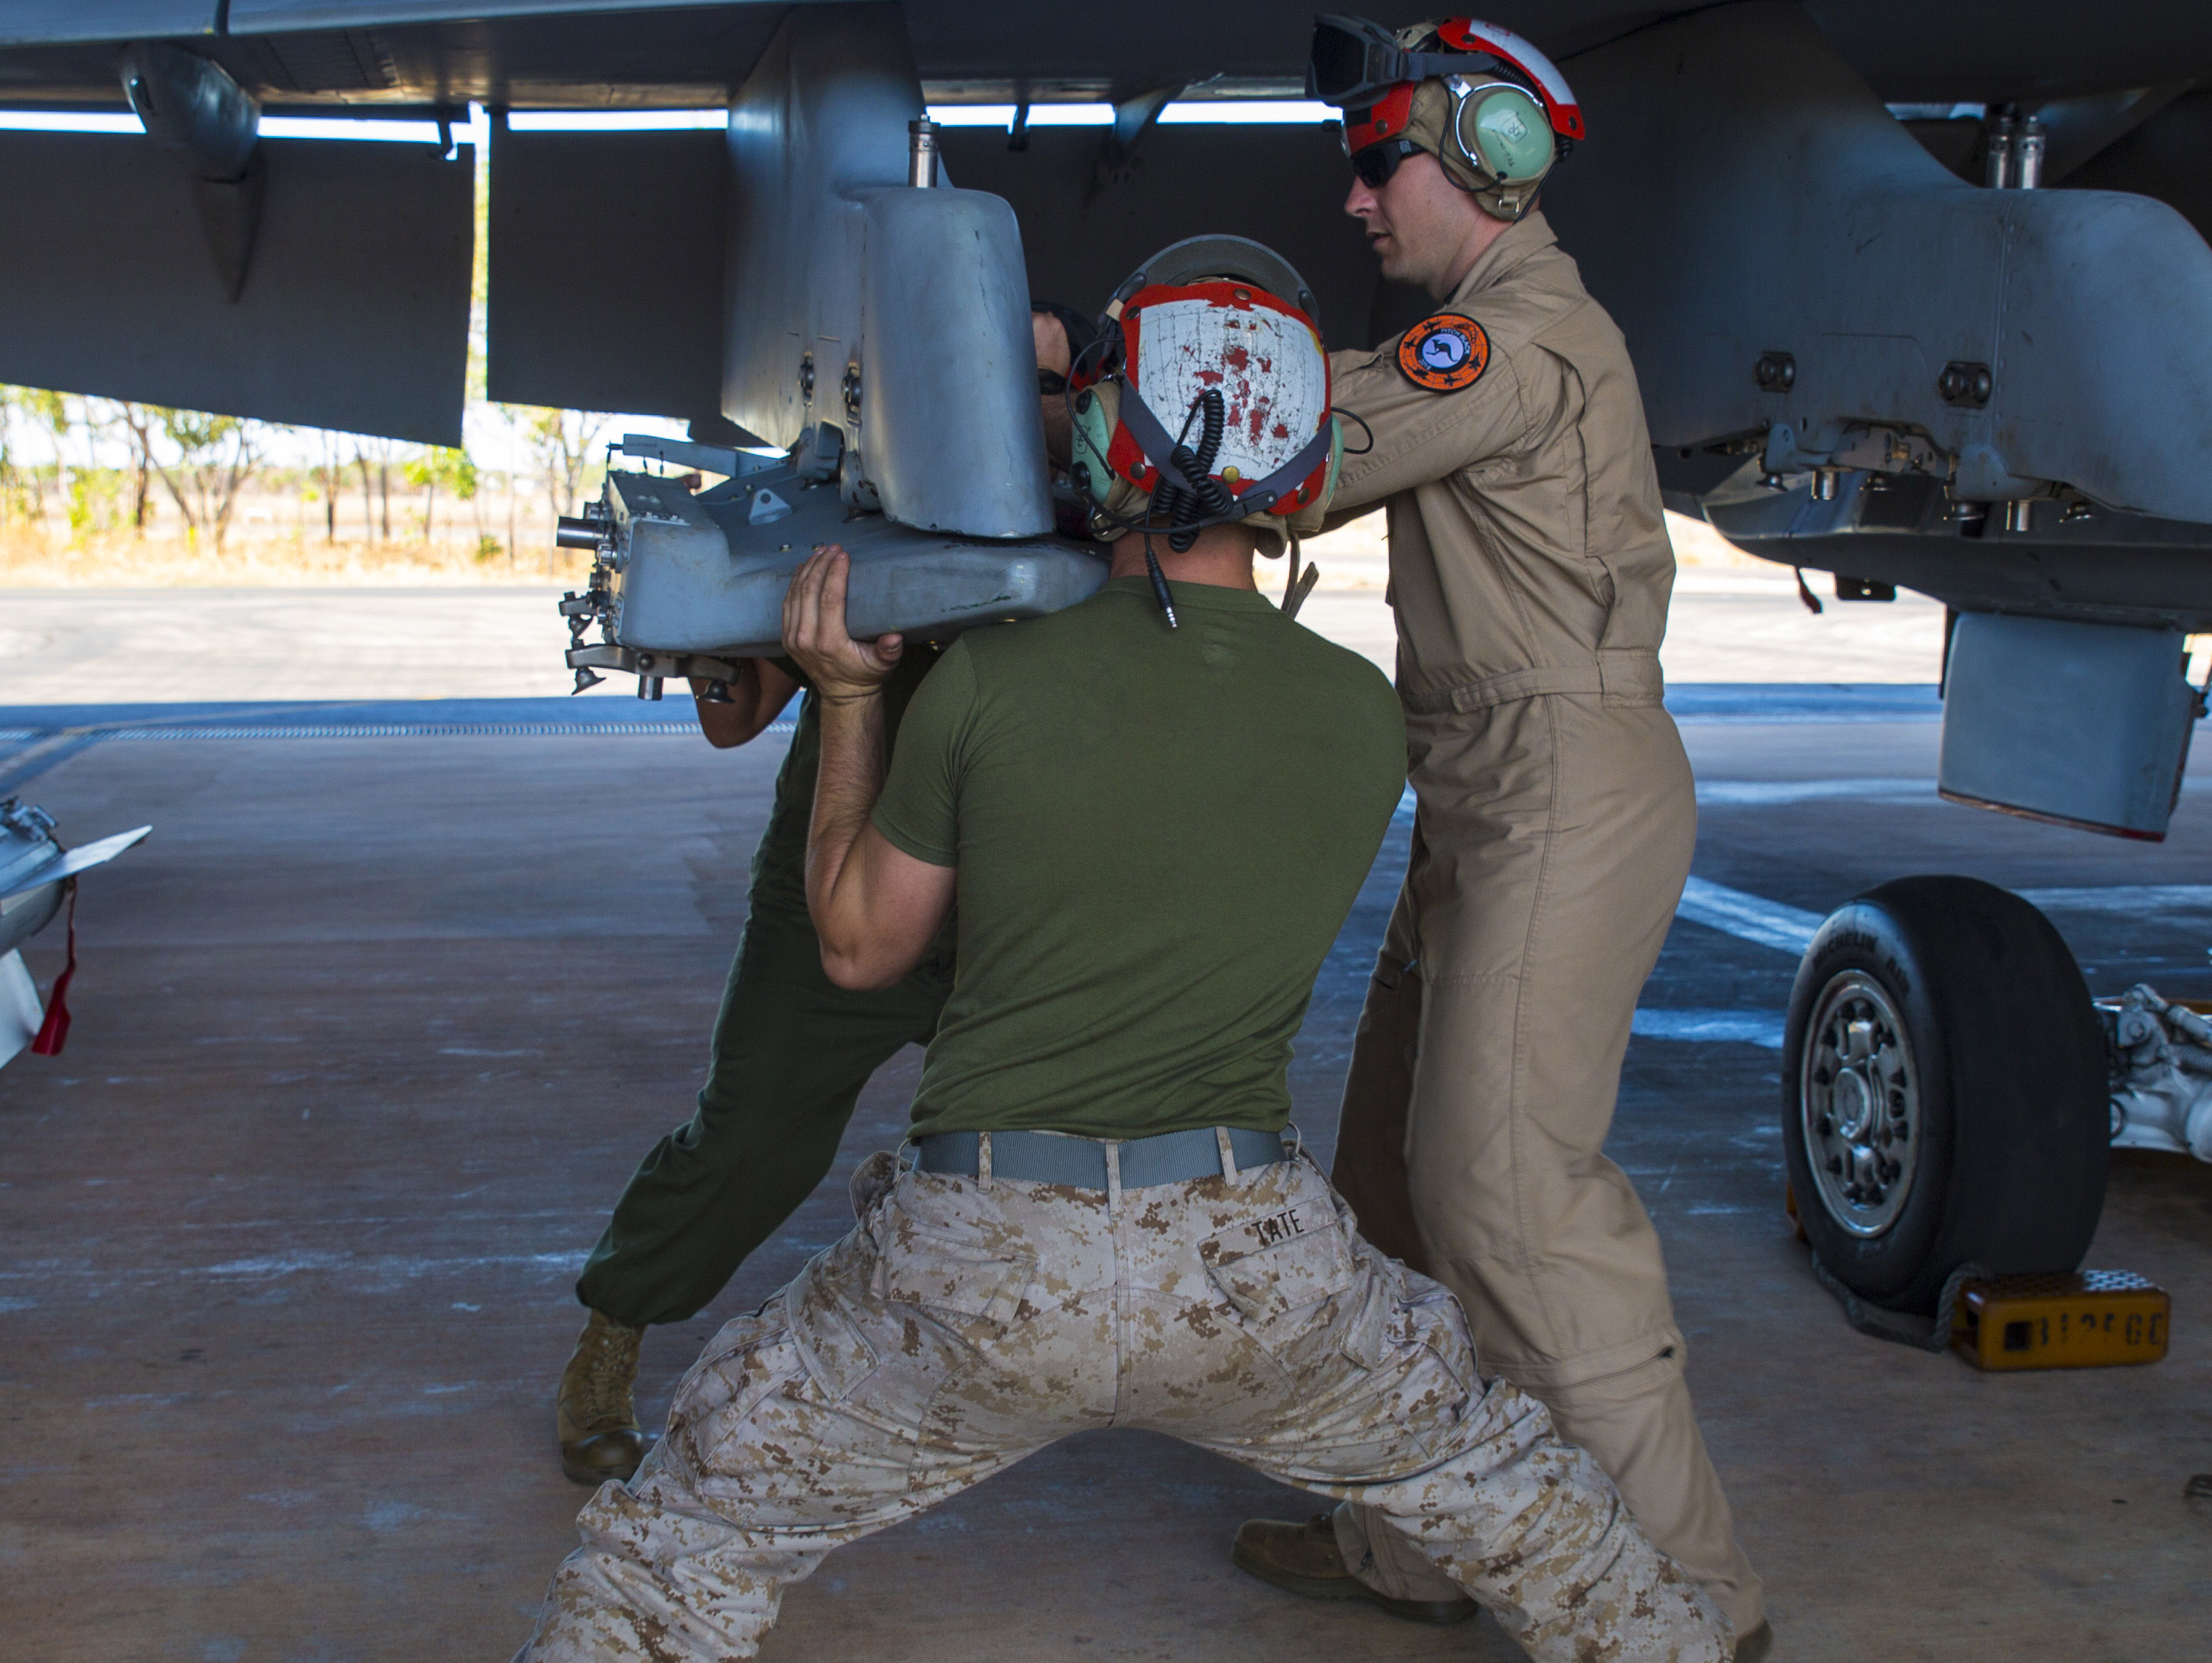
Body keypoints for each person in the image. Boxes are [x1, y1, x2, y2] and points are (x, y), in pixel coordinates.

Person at [515, 512, 1735, 1662]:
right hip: (1245, 1249)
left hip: (983, 1229)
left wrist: (849, 694)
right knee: (1520, 1489)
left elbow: (863, 938)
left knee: (672, 1544)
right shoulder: (1359, 706)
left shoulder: (998, 677)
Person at [1227, 15, 1769, 1659]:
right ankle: (1419, 1549)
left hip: (1559, 786)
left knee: (1509, 1199)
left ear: (1487, 160)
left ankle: (1692, 1598)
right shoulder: (1470, 328)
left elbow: (1309, 462)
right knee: (1394, 1193)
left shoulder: (1514, 341)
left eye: (1378, 165)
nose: (1357, 204)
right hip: (1482, 791)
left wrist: (1102, 394)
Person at [551, 309, 1086, 1484]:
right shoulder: (862, 518)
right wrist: (716, 624)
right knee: (747, 1141)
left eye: (1050, 389)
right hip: (844, 875)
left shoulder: (1104, 527)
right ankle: (612, 1330)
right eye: (1004, 388)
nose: (1026, 416)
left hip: (1013, 901)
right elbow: (734, 717)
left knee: (1091, 1135)